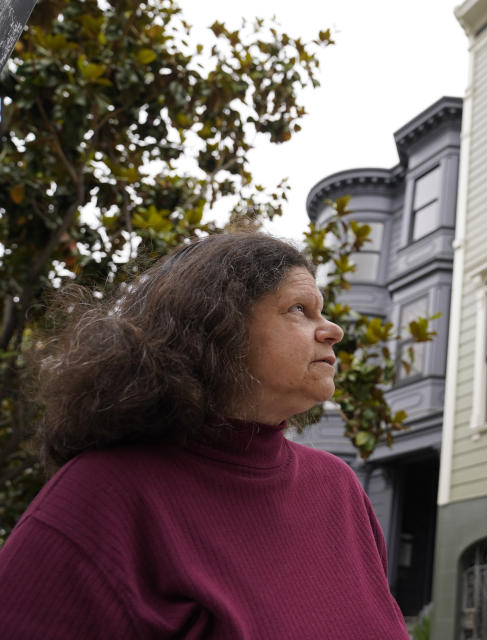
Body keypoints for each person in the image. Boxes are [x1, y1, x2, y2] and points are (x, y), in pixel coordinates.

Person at [0, 233, 410, 639]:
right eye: (300, 309)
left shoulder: (338, 487)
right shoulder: (101, 495)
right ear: (218, 326)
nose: (332, 330)